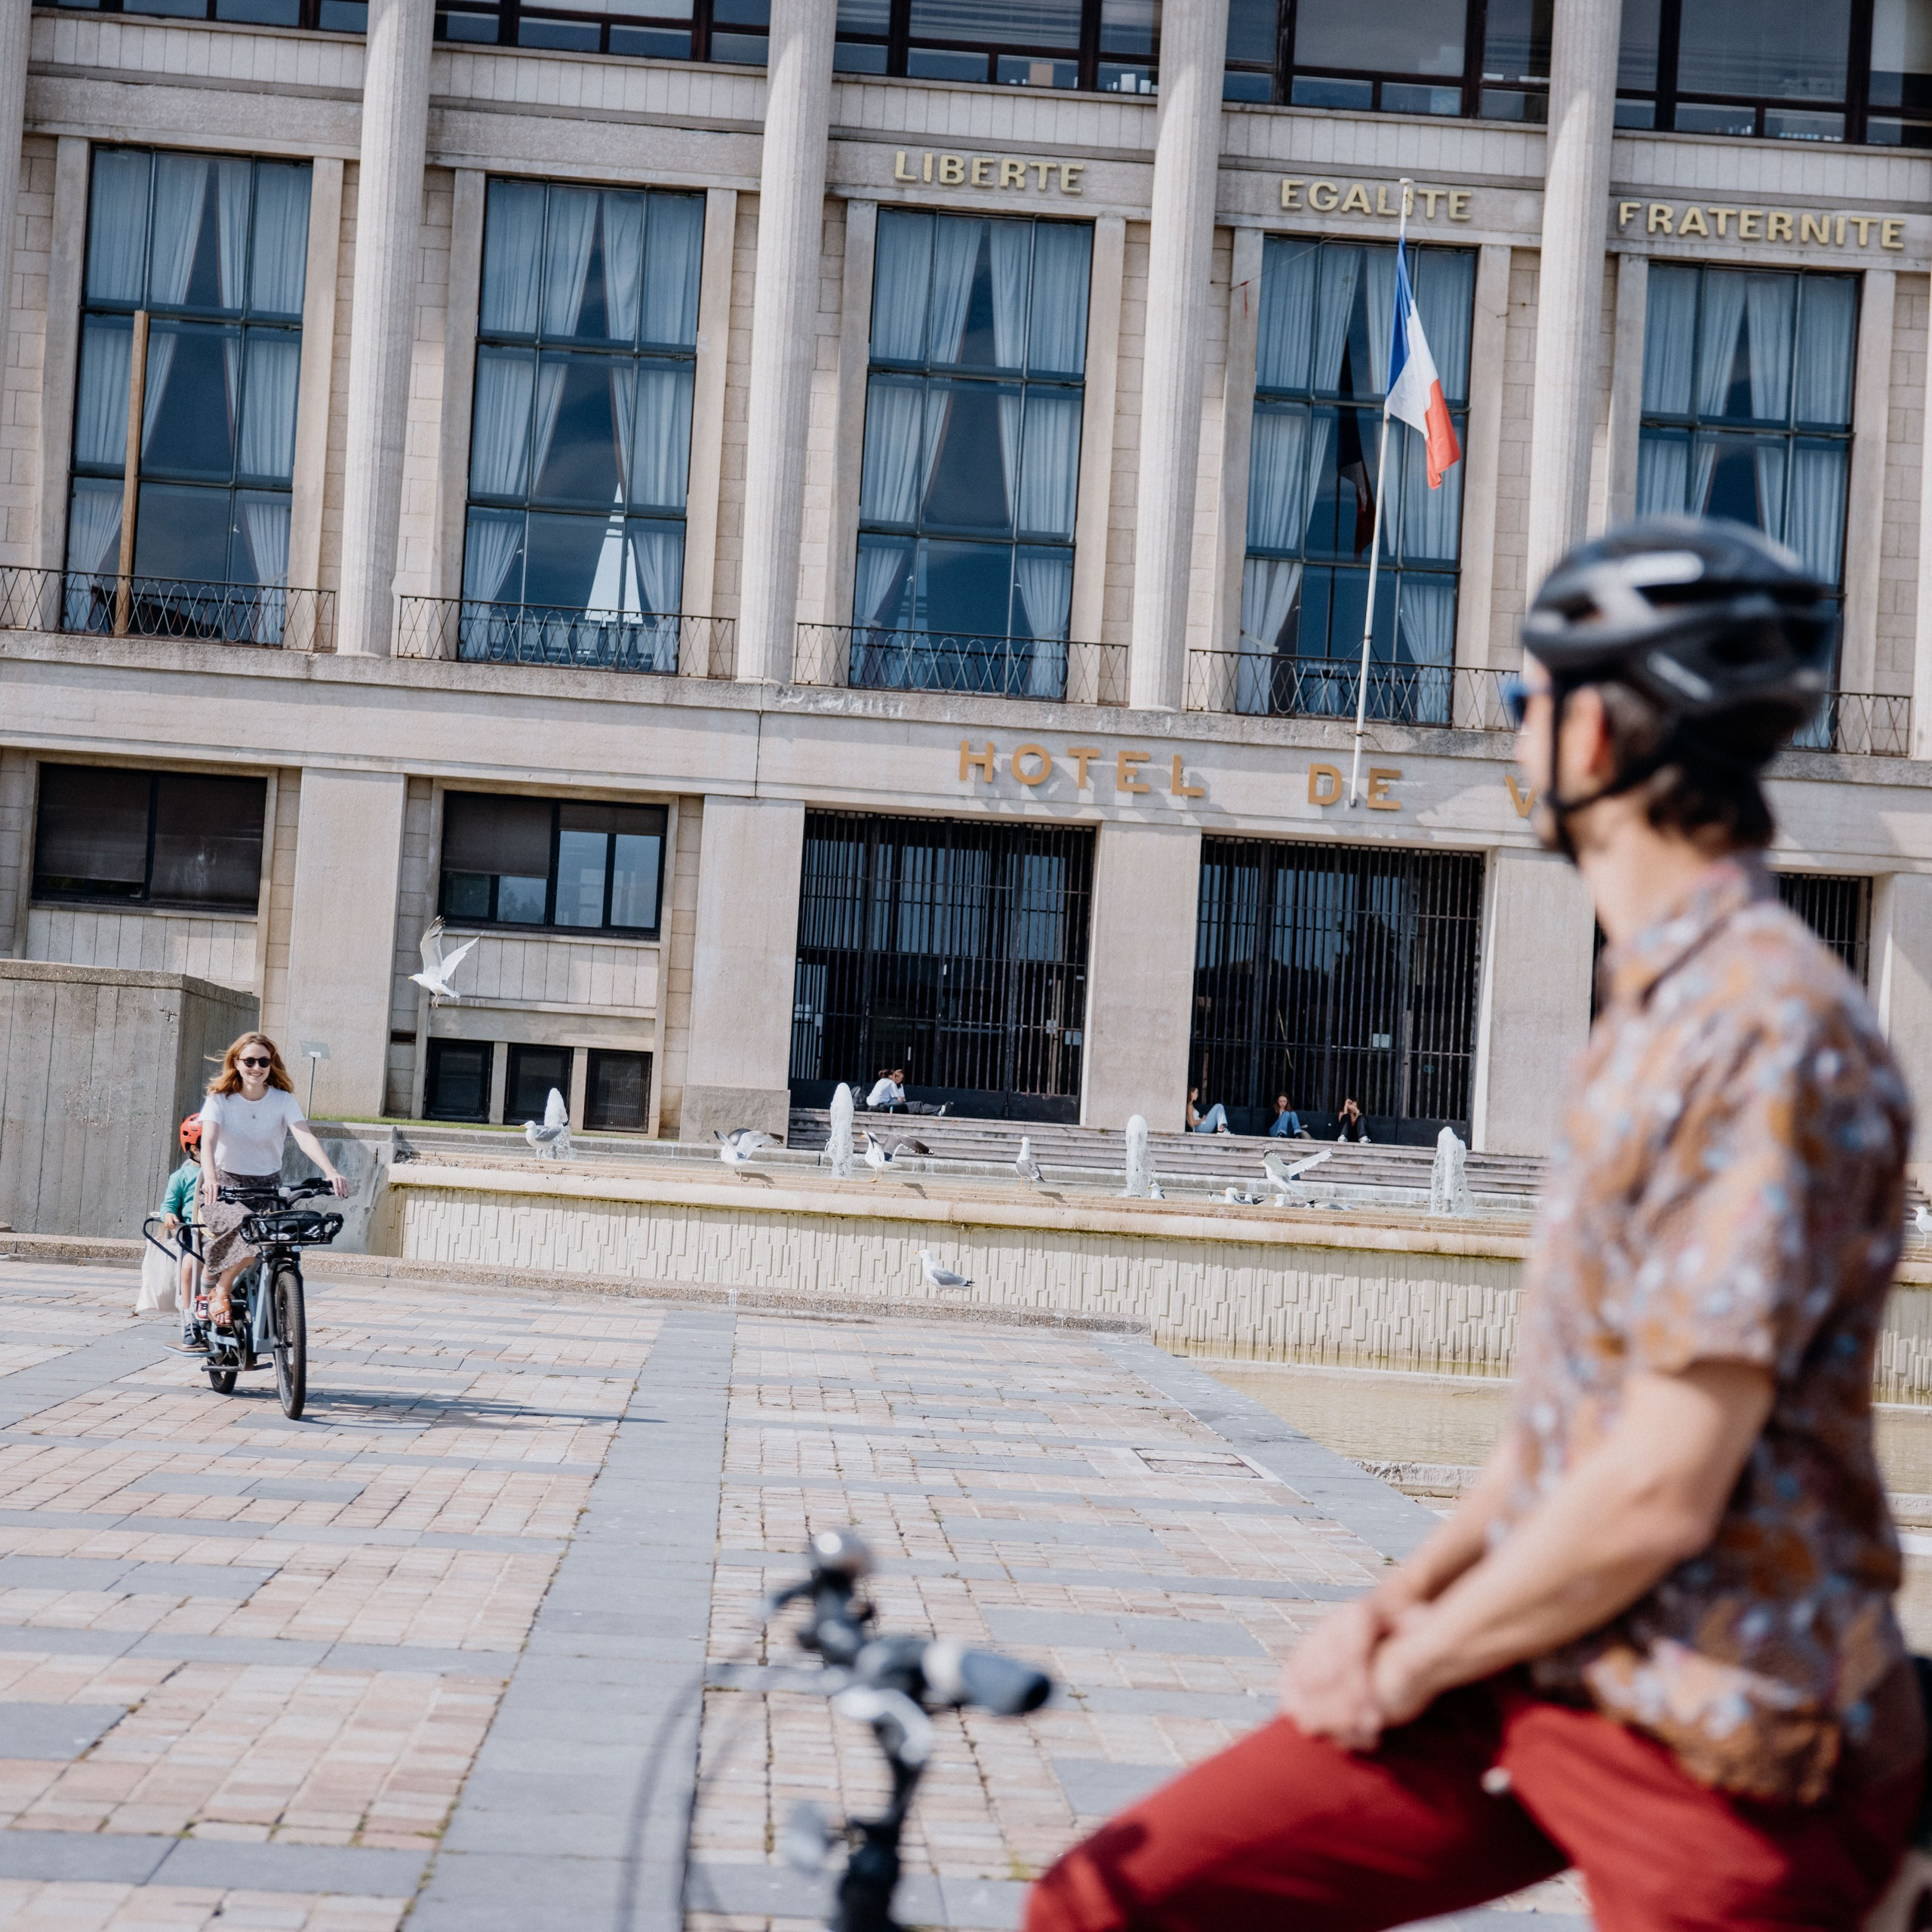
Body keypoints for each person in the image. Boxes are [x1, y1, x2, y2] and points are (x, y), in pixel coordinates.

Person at [1026, 518, 1924, 1932]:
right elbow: (1565, 1429)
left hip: (1723, 1734)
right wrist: (1400, 1605)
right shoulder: (1656, 1007)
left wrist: (1410, 1663)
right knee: (1110, 1898)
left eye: (1524, 702)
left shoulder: (1767, 1031)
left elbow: (1661, 1486)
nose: (1514, 738)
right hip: (1545, 1665)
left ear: (1594, 736)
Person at [198, 1032, 348, 1340]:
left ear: (271, 1064)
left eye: (263, 1062)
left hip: (268, 1188)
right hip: (225, 1188)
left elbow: (304, 1137)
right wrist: (210, 1177)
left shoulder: (282, 1100)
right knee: (249, 1231)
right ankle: (220, 1290)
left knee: (281, 1238)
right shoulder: (219, 1099)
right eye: (249, 1061)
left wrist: (331, 1171)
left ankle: (276, 1297)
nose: (257, 1068)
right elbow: (208, 1142)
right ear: (236, 1063)